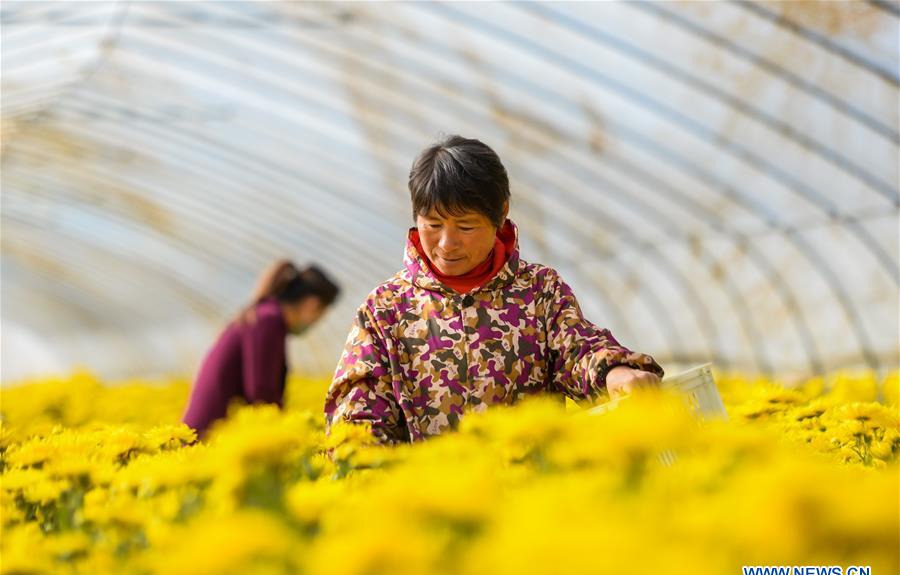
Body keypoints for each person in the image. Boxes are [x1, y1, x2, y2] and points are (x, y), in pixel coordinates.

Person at [325, 135, 664, 445]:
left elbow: (578, 350)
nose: (446, 243)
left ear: (501, 214)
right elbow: (357, 418)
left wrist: (616, 374)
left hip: (531, 500)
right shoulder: (386, 309)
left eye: (466, 226)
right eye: (433, 224)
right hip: (433, 503)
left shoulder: (538, 292)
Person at [183, 260, 339, 436]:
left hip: (209, 435)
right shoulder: (268, 321)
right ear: (312, 304)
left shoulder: (262, 315)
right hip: (206, 442)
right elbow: (261, 392)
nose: (316, 323)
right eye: (321, 315)